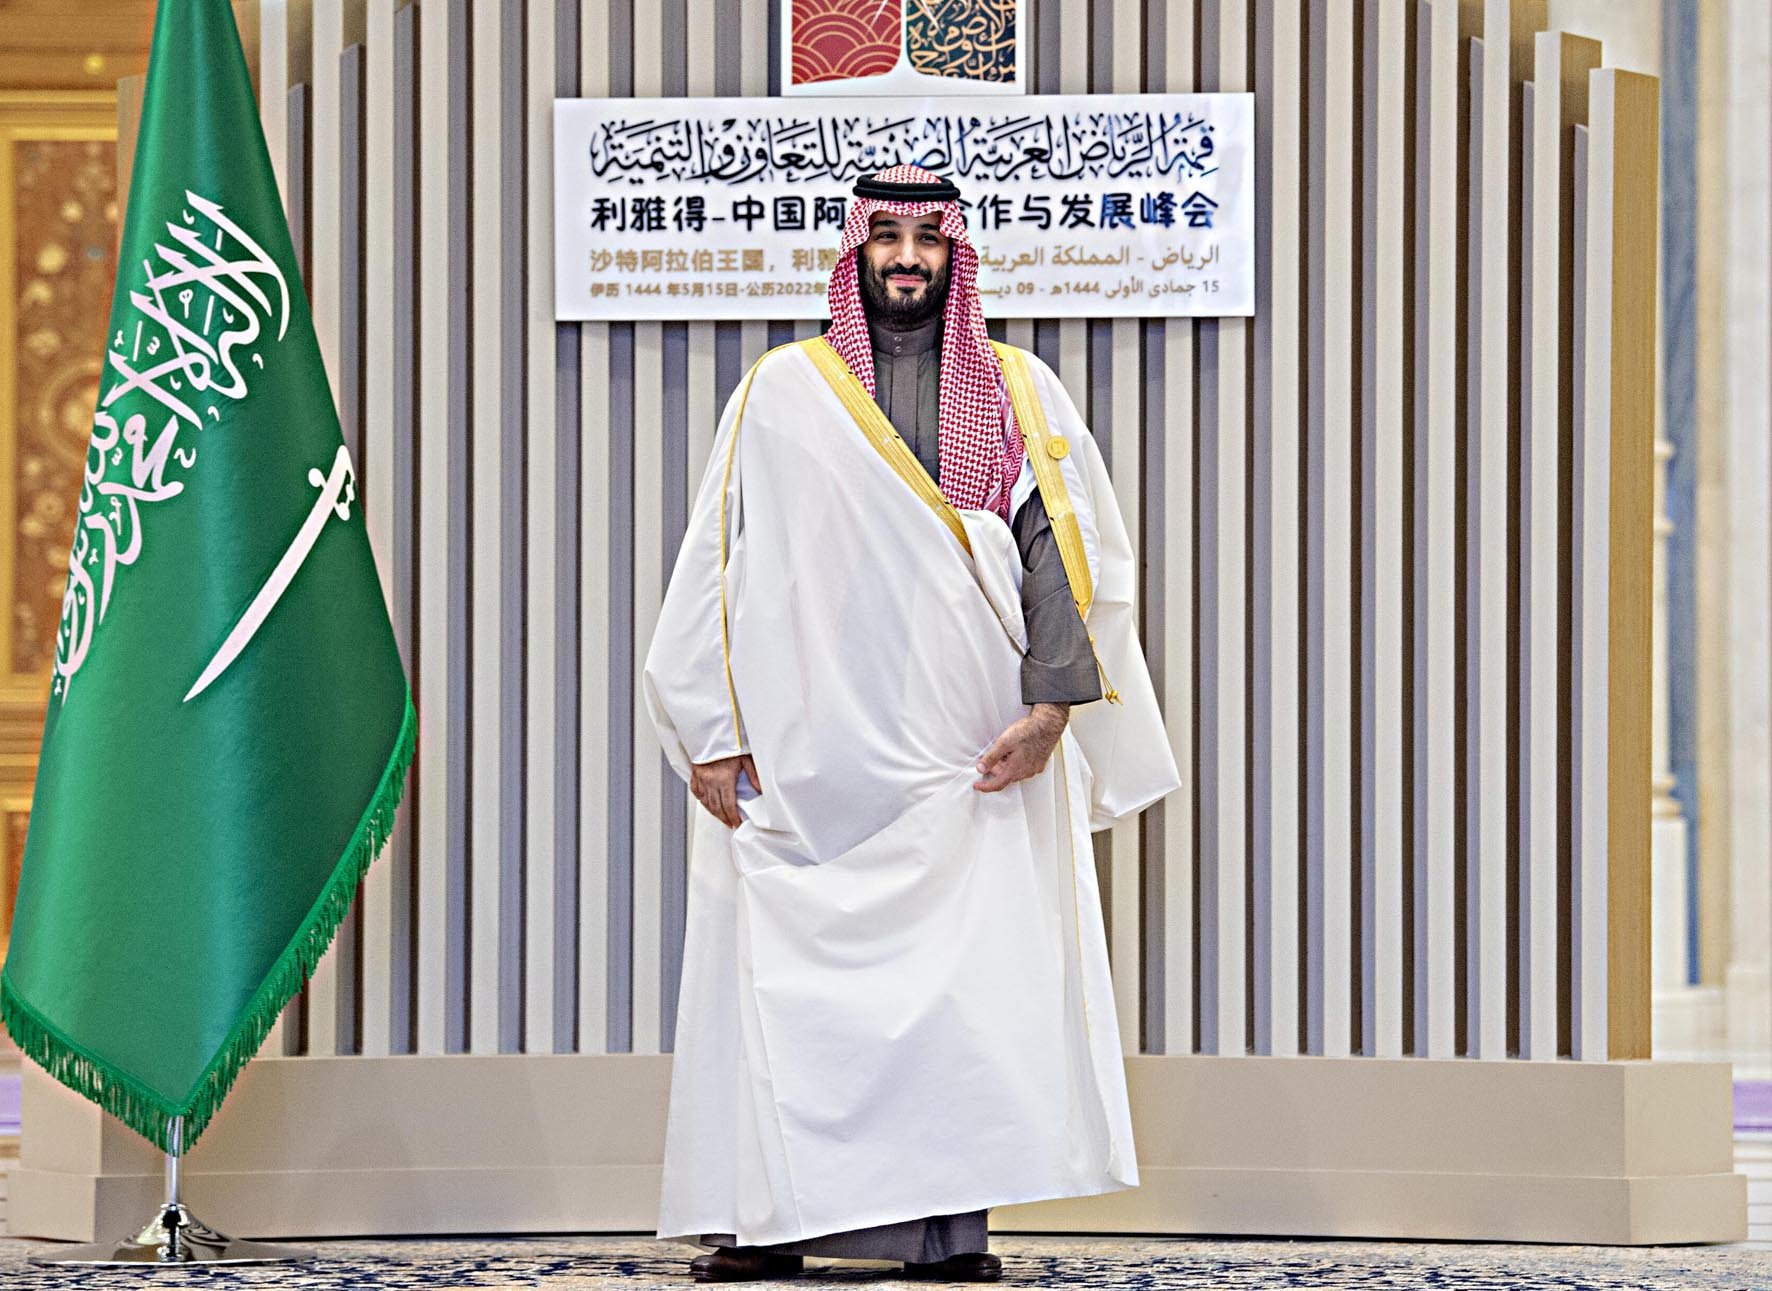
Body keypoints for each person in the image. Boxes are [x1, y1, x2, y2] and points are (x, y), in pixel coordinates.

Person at [644, 164, 1179, 1283]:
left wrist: (1050, 709)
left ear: (953, 255)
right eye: (884, 236)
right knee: (785, 991)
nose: (905, 257)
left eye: (925, 239)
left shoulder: (1020, 390)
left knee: (960, 1001)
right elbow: (716, 562)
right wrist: (710, 725)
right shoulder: (782, 390)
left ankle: (946, 1237)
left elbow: (1061, 554)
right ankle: (768, 1227)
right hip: (806, 759)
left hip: (965, 754)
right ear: (856, 250)